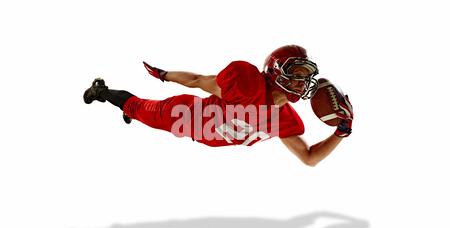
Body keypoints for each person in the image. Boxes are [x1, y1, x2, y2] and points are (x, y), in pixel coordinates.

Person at [83, 45, 353, 166]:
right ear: (276, 72)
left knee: (138, 112)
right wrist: (165, 75)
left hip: (207, 135)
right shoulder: (247, 84)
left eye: (306, 76)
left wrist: (341, 131)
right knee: (139, 108)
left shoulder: (284, 119)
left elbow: (309, 158)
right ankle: (103, 91)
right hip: (187, 117)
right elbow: (199, 80)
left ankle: (126, 109)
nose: (302, 82)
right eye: (297, 74)